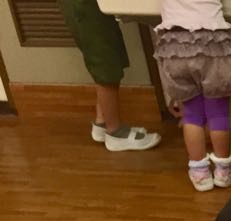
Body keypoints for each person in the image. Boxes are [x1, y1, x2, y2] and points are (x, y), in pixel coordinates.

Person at [152, 0, 231, 191]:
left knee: (192, 115)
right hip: (212, 43)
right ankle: (224, 171)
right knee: (218, 113)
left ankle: (200, 173)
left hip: (175, 46)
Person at [58, 0, 162, 151]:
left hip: (89, 7)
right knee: (105, 63)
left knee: (108, 56)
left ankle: (102, 122)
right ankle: (115, 133)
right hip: (85, 8)